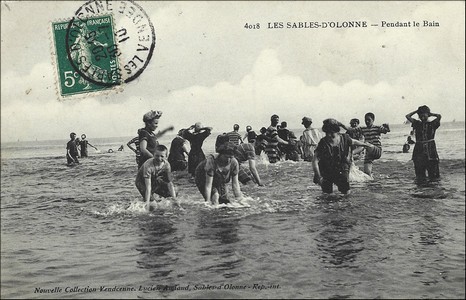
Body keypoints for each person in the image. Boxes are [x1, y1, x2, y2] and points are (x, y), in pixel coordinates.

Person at [312, 119, 375, 194]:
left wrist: (365, 145)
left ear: (337, 132)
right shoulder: (323, 142)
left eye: (332, 133)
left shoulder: (344, 138)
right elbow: (315, 160)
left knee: (346, 192)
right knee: (327, 194)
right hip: (326, 169)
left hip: (341, 168)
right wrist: (317, 174)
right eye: (327, 133)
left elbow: (354, 141)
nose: (329, 135)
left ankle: (345, 204)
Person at [135, 145, 180, 211]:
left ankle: (153, 199)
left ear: (166, 156)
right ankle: (147, 201)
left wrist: (175, 200)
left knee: (175, 191)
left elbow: (169, 183)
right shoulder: (148, 165)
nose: (159, 158)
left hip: (155, 180)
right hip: (142, 183)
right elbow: (148, 187)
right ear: (153, 155)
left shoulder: (166, 165)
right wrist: (147, 203)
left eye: (162, 156)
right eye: (157, 156)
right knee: (153, 207)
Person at [405, 105, 441, 181]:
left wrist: (430, 114)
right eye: (420, 115)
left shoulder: (433, 124)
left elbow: (439, 116)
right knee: (419, 175)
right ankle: (421, 191)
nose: (422, 117)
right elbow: (407, 116)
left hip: (431, 151)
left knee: (434, 176)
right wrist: (416, 111)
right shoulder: (417, 123)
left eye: (424, 115)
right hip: (418, 150)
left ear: (428, 115)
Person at [360, 112, 390, 177]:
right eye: (365, 120)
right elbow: (351, 130)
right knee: (367, 174)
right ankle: (372, 185)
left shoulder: (377, 128)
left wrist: (387, 126)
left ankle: (353, 153)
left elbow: (387, 131)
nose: (367, 121)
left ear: (373, 120)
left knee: (365, 144)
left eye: (369, 120)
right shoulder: (363, 129)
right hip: (369, 153)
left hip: (377, 150)